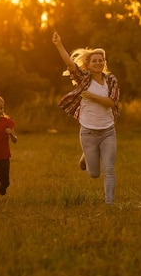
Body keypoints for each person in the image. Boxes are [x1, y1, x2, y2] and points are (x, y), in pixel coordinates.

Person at [52, 31, 120, 205]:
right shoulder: (83, 79)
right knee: (94, 174)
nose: (98, 63)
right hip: (88, 133)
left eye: (100, 60)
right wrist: (59, 44)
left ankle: (110, 203)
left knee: (110, 169)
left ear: (104, 63)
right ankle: (85, 156)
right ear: (88, 65)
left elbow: (112, 102)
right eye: (94, 60)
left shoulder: (111, 80)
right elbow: (70, 64)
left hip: (108, 132)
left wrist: (89, 96)